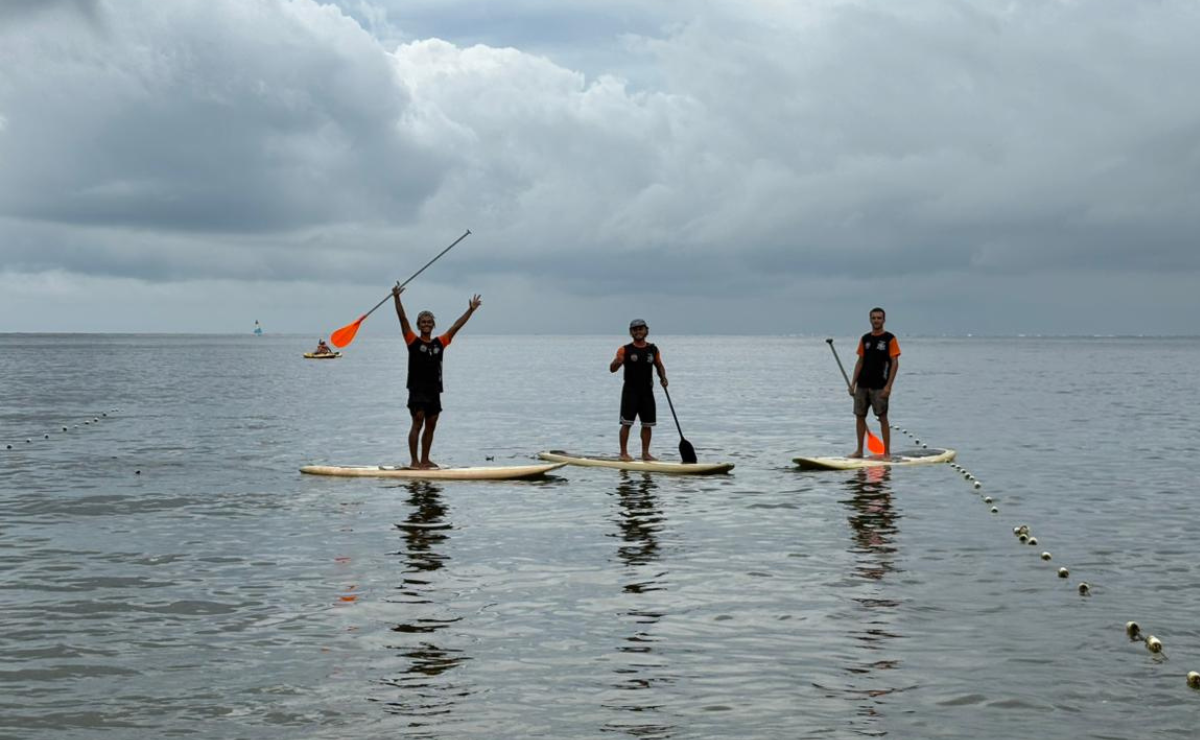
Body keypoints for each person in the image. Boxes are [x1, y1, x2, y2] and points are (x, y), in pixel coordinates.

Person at [392, 284, 482, 469]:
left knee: (431, 424)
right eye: (423, 322)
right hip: (417, 389)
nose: (426, 324)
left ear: (433, 325)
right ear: (418, 325)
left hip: (434, 390)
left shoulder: (440, 342)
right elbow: (403, 319)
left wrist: (471, 310)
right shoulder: (412, 340)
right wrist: (397, 298)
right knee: (417, 422)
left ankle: (425, 460)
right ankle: (414, 461)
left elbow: (456, 326)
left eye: (429, 322)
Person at [609, 318, 668, 461]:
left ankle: (645, 454)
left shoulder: (653, 349)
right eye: (635, 330)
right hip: (630, 392)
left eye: (641, 329)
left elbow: (659, 365)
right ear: (631, 332)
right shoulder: (625, 349)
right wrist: (617, 362)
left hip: (647, 392)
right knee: (626, 423)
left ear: (646, 330)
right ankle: (623, 453)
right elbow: (612, 369)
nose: (638, 332)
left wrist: (663, 378)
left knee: (647, 424)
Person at [848, 307, 900, 458]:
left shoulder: (890, 338)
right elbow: (860, 361)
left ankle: (887, 452)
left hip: (880, 386)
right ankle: (859, 451)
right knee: (860, 416)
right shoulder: (865, 339)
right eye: (874, 318)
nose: (876, 320)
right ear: (870, 319)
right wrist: (853, 383)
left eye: (879, 318)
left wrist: (888, 386)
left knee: (882, 418)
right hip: (862, 385)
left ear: (884, 320)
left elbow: (895, 363)